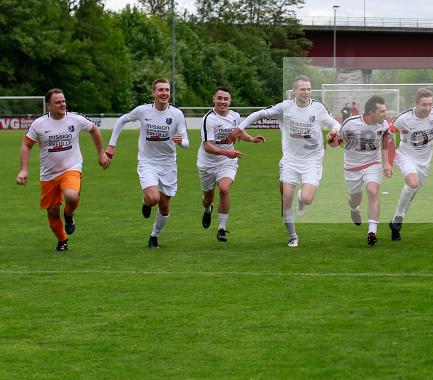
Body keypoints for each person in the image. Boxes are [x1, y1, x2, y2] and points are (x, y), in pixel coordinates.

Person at [233, 75, 340, 248]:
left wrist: (335, 131)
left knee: (307, 199)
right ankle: (293, 236)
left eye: (309, 89)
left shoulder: (318, 107)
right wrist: (240, 128)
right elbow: (259, 114)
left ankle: (301, 199)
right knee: (286, 199)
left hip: (312, 161)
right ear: (294, 91)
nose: (307, 92)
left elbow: (335, 123)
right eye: (303, 89)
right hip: (290, 161)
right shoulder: (285, 107)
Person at [16, 88, 110, 252]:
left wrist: (101, 153)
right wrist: (23, 169)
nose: (62, 104)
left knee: (71, 195)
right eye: (58, 102)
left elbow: (94, 129)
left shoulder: (75, 119)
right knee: (53, 212)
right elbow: (26, 145)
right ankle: (62, 240)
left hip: (71, 168)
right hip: (48, 174)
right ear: (49, 106)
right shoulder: (39, 124)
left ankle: (68, 213)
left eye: (64, 101)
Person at [106, 78, 188, 248]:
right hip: (147, 162)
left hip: (168, 164)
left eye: (167, 90)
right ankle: (146, 202)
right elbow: (122, 120)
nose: (164, 93)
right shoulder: (143, 111)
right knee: (153, 198)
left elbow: (186, 142)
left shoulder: (177, 114)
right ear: (153, 93)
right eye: (160, 90)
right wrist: (112, 144)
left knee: (164, 205)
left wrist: (181, 142)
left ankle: (154, 236)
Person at [197, 86, 265, 242]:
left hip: (227, 161)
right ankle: (207, 210)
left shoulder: (235, 116)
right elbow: (207, 146)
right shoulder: (209, 119)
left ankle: (221, 228)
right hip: (207, 163)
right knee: (208, 198)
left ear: (230, 101)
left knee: (224, 188)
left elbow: (238, 132)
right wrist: (227, 152)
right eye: (219, 98)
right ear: (214, 99)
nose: (222, 102)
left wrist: (252, 139)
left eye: (225, 99)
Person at [388, 89, 433, 241]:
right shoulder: (405, 118)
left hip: (424, 161)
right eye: (424, 104)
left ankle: (395, 223)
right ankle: (398, 219)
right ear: (416, 104)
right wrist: (388, 160)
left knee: (412, 194)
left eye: (430, 104)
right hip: (405, 156)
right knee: (413, 184)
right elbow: (388, 135)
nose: (428, 108)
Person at [331, 95, 394, 246]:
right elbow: (335, 144)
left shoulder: (383, 124)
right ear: (371, 112)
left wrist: (387, 163)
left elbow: (385, 140)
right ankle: (354, 208)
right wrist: (331, 138)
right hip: (352, 167)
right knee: (355, 198)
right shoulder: (350, 123)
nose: (385, 114)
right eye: (382, 111)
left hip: (373, 163)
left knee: (373, 192)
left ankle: (372, 232)